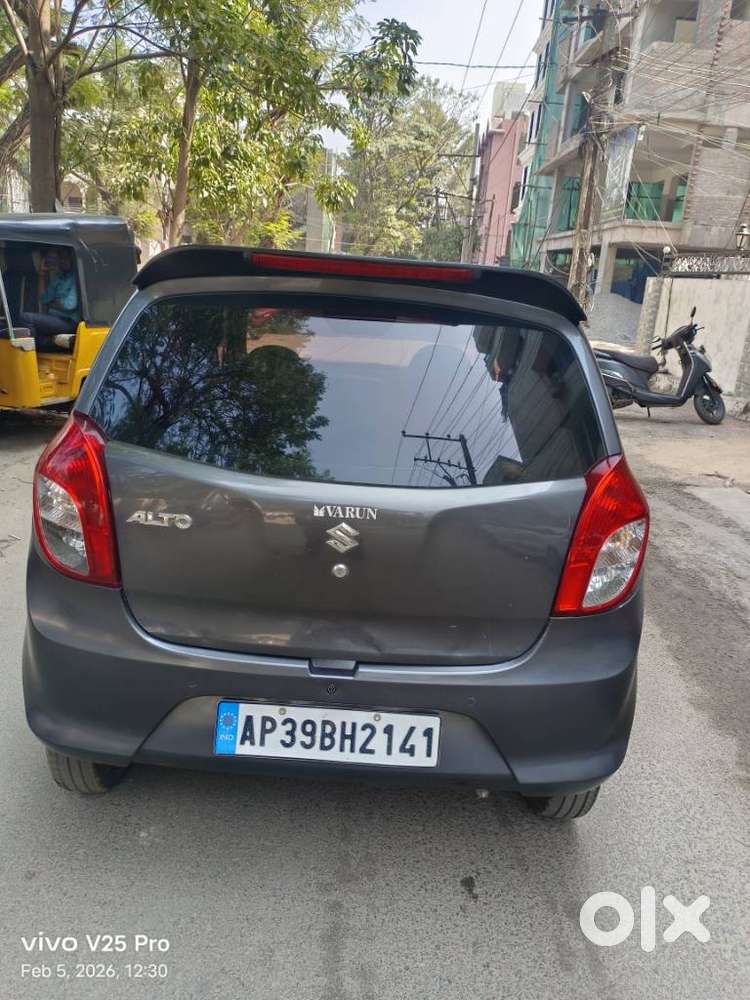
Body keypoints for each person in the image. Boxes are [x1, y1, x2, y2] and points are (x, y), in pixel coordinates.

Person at [18, 249, 80, 350]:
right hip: (55, 318)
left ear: (72, 259)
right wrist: (42, 274)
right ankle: (45, 344)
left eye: (66, 258)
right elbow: (44, 299)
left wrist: (52, 303)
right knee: (25, 328)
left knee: (26, 318)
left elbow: (69, 305)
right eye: (61, 258)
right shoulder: (58, 277)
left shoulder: (75, 278)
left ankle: (32, 353)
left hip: (69, 322)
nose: (62, 261)